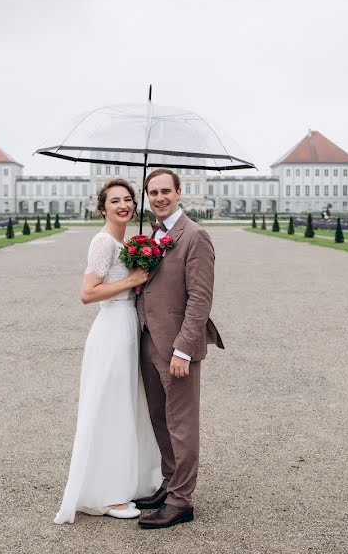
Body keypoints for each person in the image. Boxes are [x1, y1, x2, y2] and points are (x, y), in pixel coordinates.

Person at [54, 178, 163, 524]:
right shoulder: (103, 242)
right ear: (102, 208)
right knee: (111, 407)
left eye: (128, 199)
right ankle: (106, 494)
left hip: (128, 329)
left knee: (128, 405)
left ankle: (128, 479)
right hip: (112, 330)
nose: (123, 205)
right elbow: (87, 293)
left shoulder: (126, 242)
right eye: (115, 200)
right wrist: (132, 281)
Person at [133, 169, 224, 530]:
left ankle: (182, 500)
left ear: (178, 192)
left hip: (176, 347)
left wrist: (184, 350)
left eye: (165, 191)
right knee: (158, 417)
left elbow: (200, 299)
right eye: (152, 192)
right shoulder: (151, 236)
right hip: (148, 341)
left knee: (182, 423)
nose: (159, 198)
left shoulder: (195, 236)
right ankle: (169, 483)